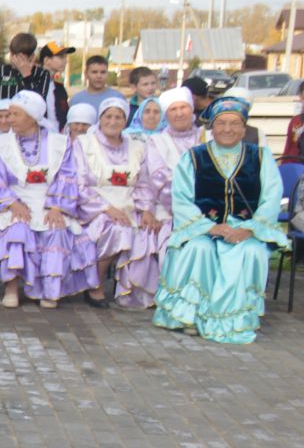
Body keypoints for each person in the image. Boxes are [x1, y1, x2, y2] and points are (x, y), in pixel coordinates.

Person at [153, 103, 285, 342]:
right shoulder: (193, 157)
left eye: (235, 123)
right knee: (199, 248)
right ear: (211, 127)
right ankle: (189, 316)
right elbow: (181, 199)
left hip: (245, 229)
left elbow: (271, 198)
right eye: (221, 123)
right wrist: (210, 227)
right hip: (203, 227)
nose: (228, 129)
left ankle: (238, 318)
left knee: (253, 251)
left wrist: (248, 228)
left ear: (244, 129)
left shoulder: (261, 157)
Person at [0, 90, 99, 308]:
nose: (10, 119)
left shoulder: (59, 143)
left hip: (49, 200)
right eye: (9, 114)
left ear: (32, 117)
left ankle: (50, 291)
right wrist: (13, 204)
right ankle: (11, 288)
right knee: (15, 226)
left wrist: (56, 207)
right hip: (16, 198)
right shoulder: (3, 143)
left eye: (15, 114)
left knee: (56, 228)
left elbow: (67, 176)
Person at [78, 95, 166, 308]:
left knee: (147, 230)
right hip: (94, 206)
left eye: (119, 117)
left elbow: (144, 182)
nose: (113, 121)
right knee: (117, 229)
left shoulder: (137, 146)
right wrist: (106, 208)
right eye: (108, 116)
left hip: (130, 204)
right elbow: (78, 183)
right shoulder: (84, 143)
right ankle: (95, 283)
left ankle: (134, 289)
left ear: (125, 120)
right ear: (100, 118)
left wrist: (146, 209)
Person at [0, 33, 61, 132]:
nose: (15, 60)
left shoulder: (41, 74)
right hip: (1, 129)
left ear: (31, 57)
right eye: (13, 55)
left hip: (28, 130)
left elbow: (38, 104)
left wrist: (26, 75)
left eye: (20, 57)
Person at [39, 40, 76, 114]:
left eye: (65, 57)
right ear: (46, 60)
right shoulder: (33, 85)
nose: (65, 61)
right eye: (61, 57)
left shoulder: (60, 88)